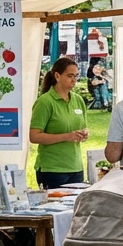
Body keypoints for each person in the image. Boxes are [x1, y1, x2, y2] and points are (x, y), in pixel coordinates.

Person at [30, 57, 88, 187]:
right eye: (70, 76)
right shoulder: (45, 102)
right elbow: (34, 136)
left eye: (76, 76)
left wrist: (84, 134)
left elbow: (82, 126)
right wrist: (67, 136)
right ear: (57, 76)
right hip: (52, 169)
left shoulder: (78, 100)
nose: (74, 80)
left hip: (75, 167)